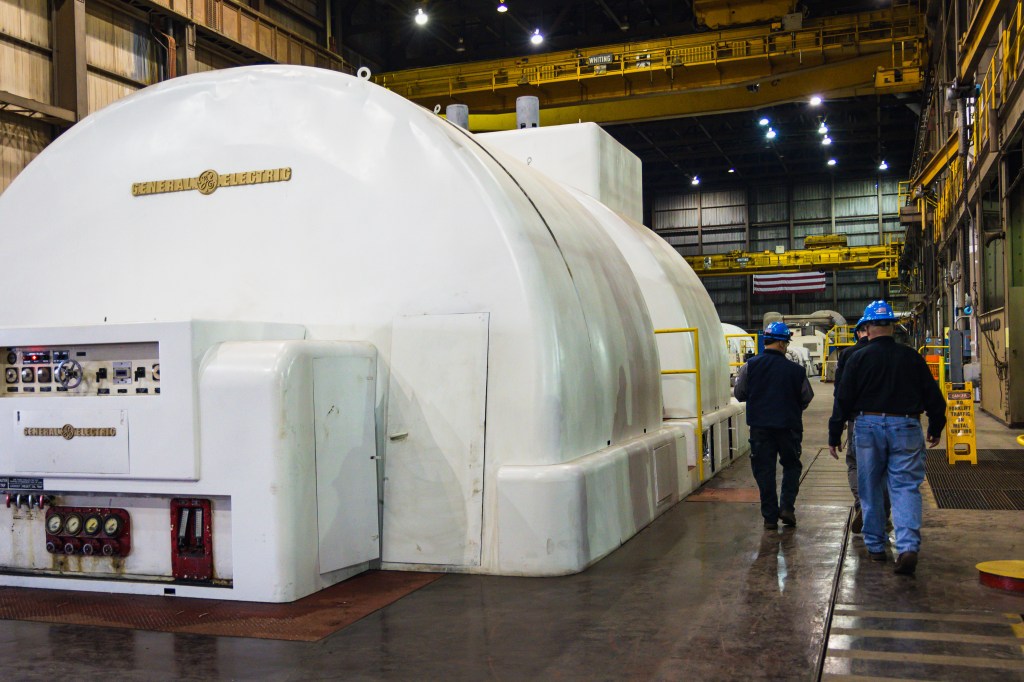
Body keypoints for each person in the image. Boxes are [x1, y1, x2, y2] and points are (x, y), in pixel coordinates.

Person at [832, 301, 946, 575]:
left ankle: (875, 547)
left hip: (867, 425)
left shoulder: (857, 358)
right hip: (906, 425)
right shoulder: (911, 357)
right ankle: (907, 547)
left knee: (869, 487)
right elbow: (934, 395)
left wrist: (834, 432)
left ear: (867, 328)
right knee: (905, 487)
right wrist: (936, 425)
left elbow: (843, 398)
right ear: (892, 327)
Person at [735, 322, 814, 530]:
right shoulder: (796, 371)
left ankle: (770, 517)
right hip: (789, 427)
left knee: (764, 470)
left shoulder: (750, 366)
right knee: (791, 465)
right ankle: (787, 507)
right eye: (786, 343)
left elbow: (739, 393)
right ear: (781, 343)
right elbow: (806, 397)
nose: (786, 347)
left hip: (760, 428)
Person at [827, 316, 889, 533]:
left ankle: (864, 505)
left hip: (859, 420)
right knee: (885, 468)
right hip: (895, 420)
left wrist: (837, 428)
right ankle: (881, 510)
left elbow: (840, 393)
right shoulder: (897, 352)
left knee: (856, 464)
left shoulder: (849, 355)